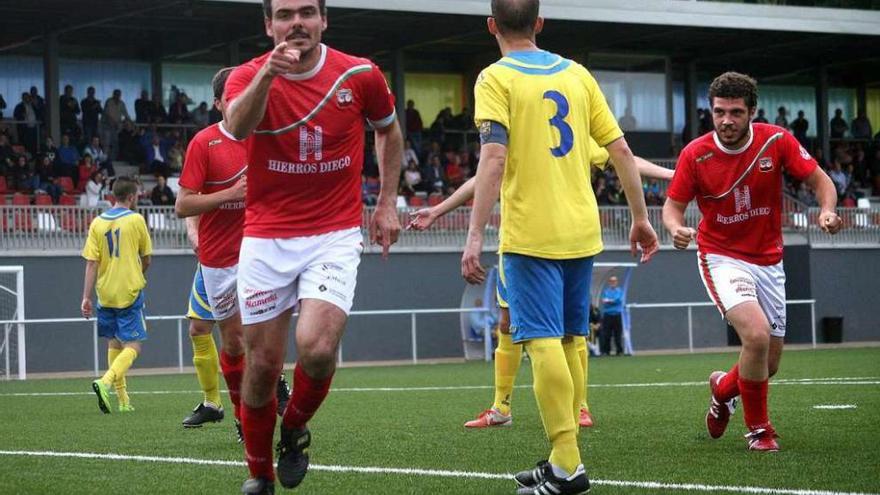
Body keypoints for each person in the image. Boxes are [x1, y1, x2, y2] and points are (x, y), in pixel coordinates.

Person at [460, 2, 658, 493]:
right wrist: (640, 218)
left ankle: (568, 463)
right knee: (571, 337)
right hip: (582, 231)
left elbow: (494, 156)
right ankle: (559, 456)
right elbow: (621, 151)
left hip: (531, 234)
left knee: (542, 340)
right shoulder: (577, 74)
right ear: (539, 23)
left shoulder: (494, 78)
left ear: (492, 26)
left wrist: (474, 235)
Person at [223, 1, 402, 492]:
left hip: (333, 233)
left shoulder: (359, 74)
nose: (295, 22)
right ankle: (259, 475)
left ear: (325, 20)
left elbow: (388, 129)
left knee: (318, 348)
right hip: (266, 236)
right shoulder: (246, 76)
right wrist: (268, 78)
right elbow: (236, 128)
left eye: (306, 12)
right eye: (284, 14)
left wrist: (386, 202)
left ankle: (295, 424)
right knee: (261, 366)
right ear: (268, 25)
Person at [410, 145, 672, 430]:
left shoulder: (574, 132)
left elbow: (622, 156)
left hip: (563, 243)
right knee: (507, 322)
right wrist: (438, 210)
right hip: (516, 242)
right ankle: (501, 407)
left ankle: (579, 406)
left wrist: (673, 174)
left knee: (571, 328)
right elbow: (486, 174)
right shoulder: (514, 136)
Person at [662, 72, 842, 453]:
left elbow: (822, 182)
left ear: (751, 113)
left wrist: (826, 211)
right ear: (711, 112)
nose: (726, 120)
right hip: (721, 257)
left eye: (736, 112)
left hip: (769, 261)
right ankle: (760, 431)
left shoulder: (776, 140)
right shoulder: (695, 154)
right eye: (719, 112)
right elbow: (672, 208)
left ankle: (723, 391)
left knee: (768, 363)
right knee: (756, 336)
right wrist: (675, 228)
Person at [175, 67, 290, 440]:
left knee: (262, 335)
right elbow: (182, 206)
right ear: (218, 103)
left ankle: (265, 400)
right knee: (235, 341)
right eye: (232, 98)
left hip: (259, 250)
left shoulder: (266, 138)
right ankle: (239, 409)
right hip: (218, 258)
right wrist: (230, 195)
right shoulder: (204, 143)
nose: (239, 104)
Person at [81, 177, 153, 414]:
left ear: (113, 195)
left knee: (113, 341)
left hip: (105, 293)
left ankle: (123, 401)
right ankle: (106, 381)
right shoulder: (136, 219)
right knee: (134, 345)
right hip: (128, 292)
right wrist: (135, 273)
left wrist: (86, 297)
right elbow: (147, 258)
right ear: (132, 197)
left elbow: (91, 264)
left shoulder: (97, 223)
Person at [599, 276, 624, 356]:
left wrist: (609, 301)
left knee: (618, 334)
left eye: (614, 281)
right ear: (609, 282)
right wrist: (611, 301)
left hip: (617, 315)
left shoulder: (619, 291)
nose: (613, 282)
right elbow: (604, 301)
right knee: (606, 334)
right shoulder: (606, 291)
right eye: (611, 281)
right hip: (607, 315)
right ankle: (606, 351)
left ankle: (619, 351)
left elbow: (618, 300)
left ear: (617, 282)